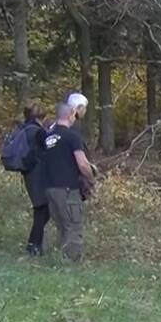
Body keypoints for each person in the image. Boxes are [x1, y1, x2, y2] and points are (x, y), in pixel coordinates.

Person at [42, 103, 96, 261]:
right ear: (71, 114)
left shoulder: (48, 137)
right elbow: (82, 164)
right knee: (73, 226)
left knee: (63, 227)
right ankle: (72, 262)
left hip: (50, 189)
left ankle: (61, 261)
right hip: (68, 190)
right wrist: (91, 176)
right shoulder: (72, 137)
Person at [12, 103, 49, 256]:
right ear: (41, 117)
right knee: (42, 211)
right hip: (39, 175)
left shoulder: (23, 129)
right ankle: (34, 246)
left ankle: (34, 245)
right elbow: (49, 148)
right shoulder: (38, 132)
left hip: (29, 174)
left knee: (40, 210)